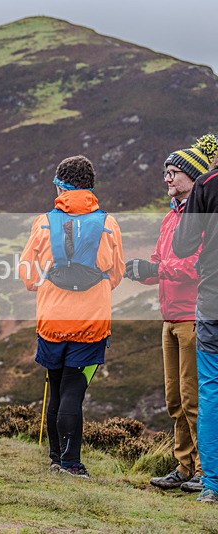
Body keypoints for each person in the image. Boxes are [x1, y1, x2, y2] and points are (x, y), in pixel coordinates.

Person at [124, 135, 218, 493]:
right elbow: (164, 263)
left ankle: (206, 472)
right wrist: (143, 271)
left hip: (194, 317)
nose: (167, 178)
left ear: (193, 179)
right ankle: (184, 466)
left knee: (195, 398)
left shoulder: (200, 214)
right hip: (169, 317)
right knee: (174, 399)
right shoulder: (169, 219)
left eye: (175, 172)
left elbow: (196, 265)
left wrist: (157, 270)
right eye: (165, 172)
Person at [20, 155, 124, 478]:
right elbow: (117, 273)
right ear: (91, 186)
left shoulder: (42, 222)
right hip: (91, 323)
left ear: (59, 185)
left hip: (51, 320)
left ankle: (55, 458)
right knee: (73, 390)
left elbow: (27, 275)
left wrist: (45, 285)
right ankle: (71, 464)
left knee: (55, 387)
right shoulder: (108, 223)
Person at [173, 135, 218, 504]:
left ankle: (213, 484)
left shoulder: (207, 184)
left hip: (212, 302)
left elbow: (183, 246)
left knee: (210, 391)